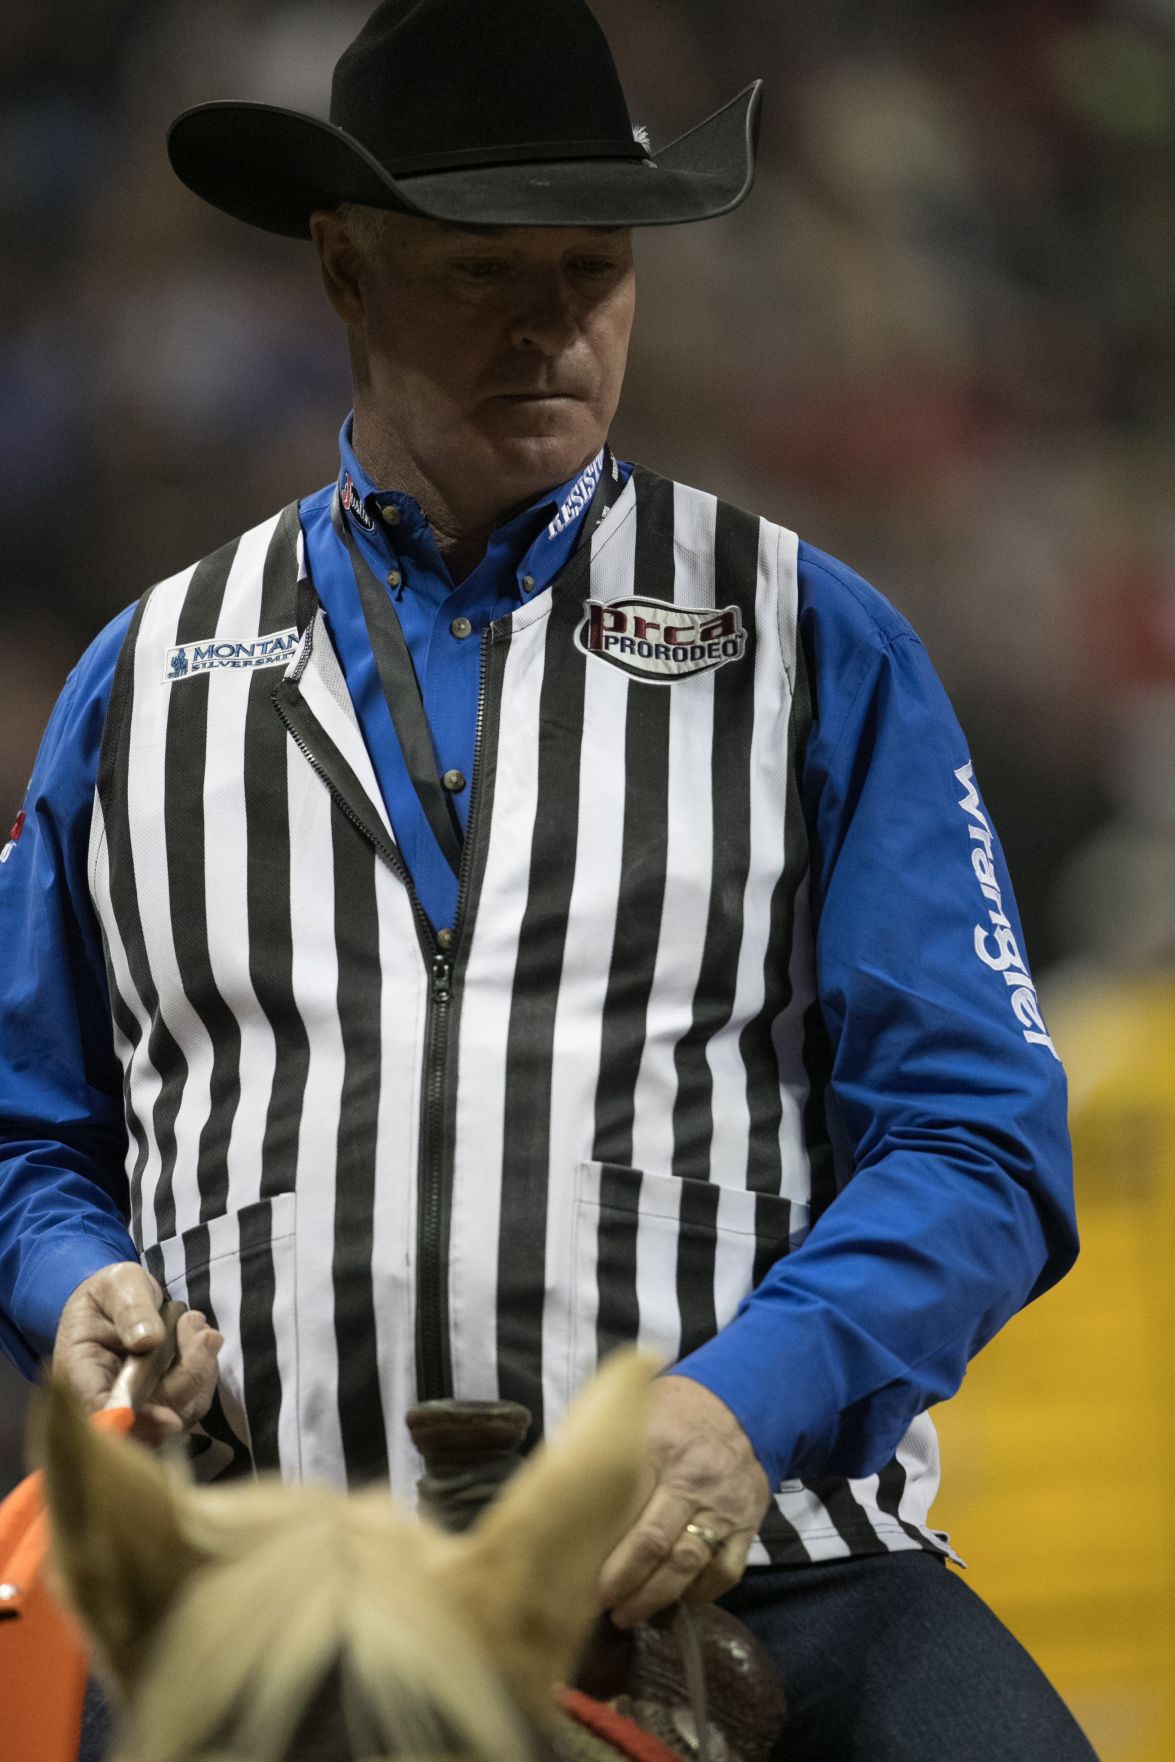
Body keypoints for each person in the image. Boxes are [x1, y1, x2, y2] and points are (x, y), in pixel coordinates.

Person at [0, 2, 1096, 1756]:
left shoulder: (816, 642)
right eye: (479, 272)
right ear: (346, 271)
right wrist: (72, 1289)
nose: (553, 325)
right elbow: (23, 1131)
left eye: (595, 268)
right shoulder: (143, 680)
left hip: (752, 1568)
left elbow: (982, 1134)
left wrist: (751, 1401)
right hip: (268, 1570)